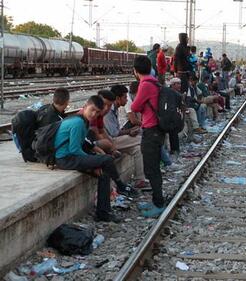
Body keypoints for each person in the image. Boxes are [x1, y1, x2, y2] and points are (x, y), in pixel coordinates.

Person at [55, 96, 135, 222]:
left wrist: (95, 160)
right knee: (107, 160)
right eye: (92, 110)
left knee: (104, 174)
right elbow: (75, 149)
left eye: (97, 112)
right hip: (66, 159)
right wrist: (94, 163)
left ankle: (103, 212)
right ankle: (120, 185)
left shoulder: (82, 121)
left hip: (70, 157)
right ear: (85, 106)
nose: (93, 114)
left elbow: (84, 145)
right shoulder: (78, 123)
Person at [131, 55, 166, 218]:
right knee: (153, 168)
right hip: (157, 129)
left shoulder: (145, 84)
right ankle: (156, 200)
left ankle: (159, 203)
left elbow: (135, 106)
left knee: (151, 169)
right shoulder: (155, 81)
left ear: (136, 71)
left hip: (151, 130)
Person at [103, 84, 146, 190]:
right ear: (117, 98)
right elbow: (113, 133)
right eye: (125, 97)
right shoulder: (108, 111)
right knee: (142, 139)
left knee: (137, 150)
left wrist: (129, 132)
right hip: (109, 141)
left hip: (115, 140)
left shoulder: (115, 109)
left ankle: (140, 180)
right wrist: (129, 132)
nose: (127, 100)